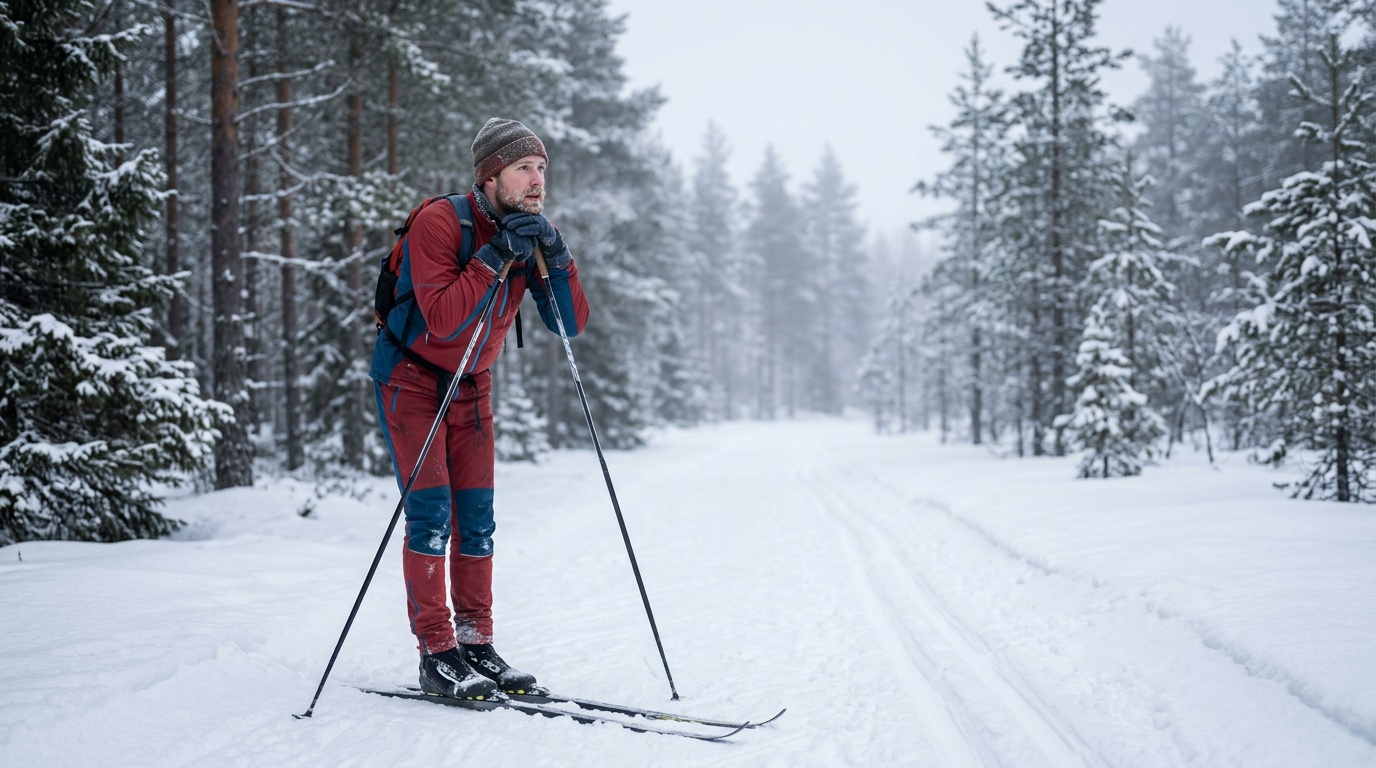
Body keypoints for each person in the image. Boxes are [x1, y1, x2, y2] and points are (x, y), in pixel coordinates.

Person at [370, 118, 590, 700]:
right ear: (492, 174)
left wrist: (557, 258)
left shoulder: (529, 230)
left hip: (472, 385)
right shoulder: (441, 222)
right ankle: (436, 653)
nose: (538, 179)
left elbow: (569, 323)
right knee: (431, 515)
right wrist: (495, 255)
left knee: (478, 521)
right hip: (412, 380)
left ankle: (476, 644)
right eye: (524, 167)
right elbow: (443, 317)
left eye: (542, 168)